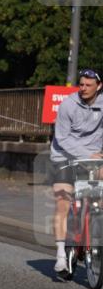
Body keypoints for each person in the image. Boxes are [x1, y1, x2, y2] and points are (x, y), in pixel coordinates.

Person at [50, 68, 103, 274]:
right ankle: (61, 255)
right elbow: (62, 138)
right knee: (63, 201)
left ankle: (95, 230)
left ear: (99, 86)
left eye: (88, 85)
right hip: (64, 156)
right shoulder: (68, 105)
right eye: (81, 84)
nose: (83, 88)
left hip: (92, 157)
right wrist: (86, 155)